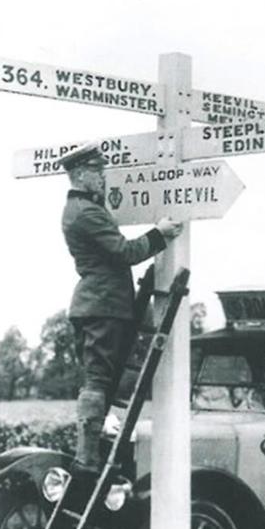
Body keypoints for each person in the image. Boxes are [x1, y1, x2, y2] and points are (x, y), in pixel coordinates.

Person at [59, 142, 181, 479]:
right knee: (98, 379)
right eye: (97, 172)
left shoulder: (83, 209)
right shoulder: (86, 213)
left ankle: (93, 451)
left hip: (101, 305)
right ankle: (87, 459)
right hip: (103, 306)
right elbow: (123, 252)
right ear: (81, 175)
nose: (103, 178)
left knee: (102, 378)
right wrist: (160, 235)